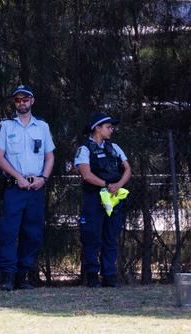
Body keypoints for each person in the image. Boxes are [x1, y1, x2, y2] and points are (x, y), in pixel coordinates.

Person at [0, 85, 55, 291]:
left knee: (33, 234)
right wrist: (17, 177)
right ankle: (7, 277)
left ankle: (23, 276)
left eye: (25, 100)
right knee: (8, 232)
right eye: (17, 100)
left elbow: (50, 156)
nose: (21, 103)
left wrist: (43, 178)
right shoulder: (6, 126)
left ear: (32, 101)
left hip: (35, 188)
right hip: (15, 188)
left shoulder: (42, 127)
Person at [74, 113, 131, 288]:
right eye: (108, 126)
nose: (111, 129)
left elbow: (127, 169)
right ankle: (92, 275)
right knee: (92, 237)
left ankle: (109, 276)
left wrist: (118, 184)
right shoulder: (84, 149)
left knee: (111, 236)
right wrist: (106, 184)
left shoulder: (114, 147)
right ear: (97, 128)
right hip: (94, 198)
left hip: (114, 198)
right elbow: (86, 174)